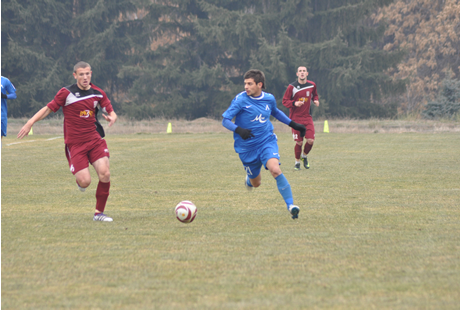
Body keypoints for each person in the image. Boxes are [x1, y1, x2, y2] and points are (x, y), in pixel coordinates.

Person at [17, 61, 117, 222]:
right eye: (81, 74)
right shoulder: (66, 93)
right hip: (75, 144)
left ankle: (99, 213)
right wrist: (30, 122)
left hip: (94, 139)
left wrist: (112, 118)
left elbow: (111, 111)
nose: (85, 77)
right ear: (75, 75)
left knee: (105, 173)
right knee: (85, 182)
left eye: (87, 73)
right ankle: (80, 181)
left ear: (91, 73)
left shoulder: (98, 93)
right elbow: (48, 108)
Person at [222, 69, 306, 219]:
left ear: (259, 84)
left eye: (249, 84)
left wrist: (294, 124)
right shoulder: (240, 100)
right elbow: (225, 120)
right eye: (245, 84)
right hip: (246, 148)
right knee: (256, 183)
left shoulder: (269, 98)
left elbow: (275, 112)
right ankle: (250, 178)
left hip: (266, 141)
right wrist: (239, 130)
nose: (246, 87)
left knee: (275, 169)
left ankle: (291, 206)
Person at [282, 66, 319, 170]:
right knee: (299, 142)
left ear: (307, 73)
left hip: (307, 118)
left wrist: (316, 100)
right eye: (300, 71)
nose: (302, 73)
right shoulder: (291, 87)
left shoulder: (312, 85)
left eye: (304, 71)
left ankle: (304, 156)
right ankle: (297, 162)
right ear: (297, 74)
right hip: (295, 119)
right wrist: (295, 103)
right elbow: (284, 101)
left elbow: (315, 95)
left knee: (310, 140)